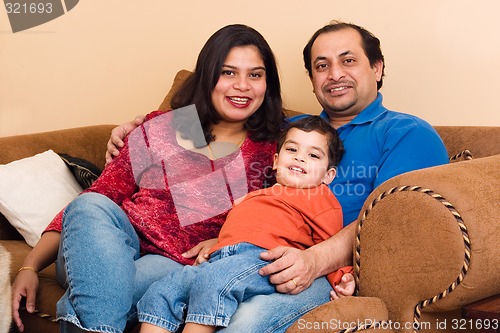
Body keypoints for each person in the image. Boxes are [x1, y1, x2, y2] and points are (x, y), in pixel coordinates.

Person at [105, 20, 450, 333]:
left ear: (377, 68)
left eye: (348, 61)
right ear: (312, 80)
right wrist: (138, 131)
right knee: (143, 288)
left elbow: (387, 224)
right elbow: (211, 142)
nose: (334, 74)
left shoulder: (407, 133)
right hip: (244, 252)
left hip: (312, 266)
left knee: (242, 320)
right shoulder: (283, 131)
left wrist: (315, 260)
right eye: (321, 65)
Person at [11, 24, 286, 333]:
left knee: (111, 291)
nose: (242, 86)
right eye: (229, 72)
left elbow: (279, 217)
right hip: (103, 244)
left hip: (171, 262)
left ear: (268, 83)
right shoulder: (165, 126)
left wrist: (226, 240)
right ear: (208, 77)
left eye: (255, 75)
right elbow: (102, 194)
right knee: (90, 204)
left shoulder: (274, 148)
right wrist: (30, 266)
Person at [137, 115, 354, 333]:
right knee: (163, 289)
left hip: (263, 259)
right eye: (292, 150)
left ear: (328, 175)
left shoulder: (320, 198)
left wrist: (342, 279)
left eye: (313, 155)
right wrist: (216, 245)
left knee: (213, 282)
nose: (300, 158)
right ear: (276, 160)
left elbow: (330, 244)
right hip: (221, 259)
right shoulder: (256, 195)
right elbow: (239, 230)